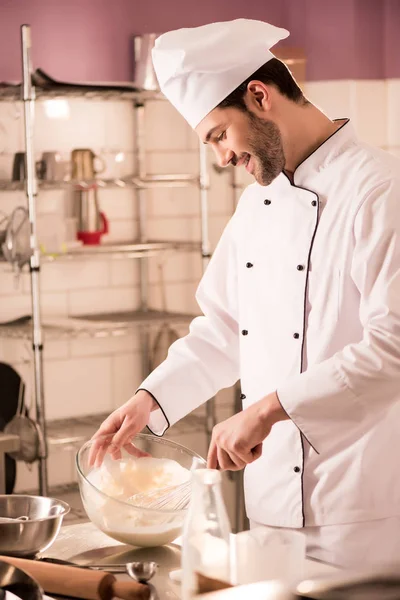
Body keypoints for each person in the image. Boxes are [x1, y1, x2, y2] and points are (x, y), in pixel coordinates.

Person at [90, 19, 400, 568]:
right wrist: (150, 402)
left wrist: (268, 410)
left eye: (217, 135)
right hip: (269, 505)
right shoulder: (257, 205)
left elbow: (393, 346)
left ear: (259, 96)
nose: (220, 158)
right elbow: (226, 328)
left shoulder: (379, 189)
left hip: (366, 511)